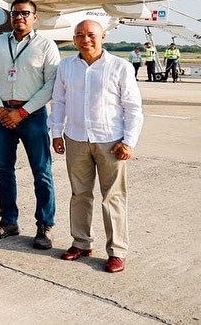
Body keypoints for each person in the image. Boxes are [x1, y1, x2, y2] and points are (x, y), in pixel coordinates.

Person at [50, 20, 143, 274]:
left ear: (103, 37)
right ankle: (81, 243)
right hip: (76, 138)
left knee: (113, 196)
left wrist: (129, 141)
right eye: (79, 35)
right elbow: (58, 101)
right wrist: (56, 133)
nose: (85, 39)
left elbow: (133, 108)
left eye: (91, 34)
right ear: (74, 39)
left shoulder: (120, 67)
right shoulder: (66, 66)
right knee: (79, 193)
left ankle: (117, 251)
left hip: (110, 141)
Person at [0, 0, 60, 249]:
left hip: (32, 115)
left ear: (35, 17)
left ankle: (44, 225)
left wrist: (23, 112)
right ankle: (8, 221)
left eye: (25, 13)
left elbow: (51, 84)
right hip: (1, 113)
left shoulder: (46, 45)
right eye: (15, 13)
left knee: (42, 171)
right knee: (3, 170)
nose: (19, 17)